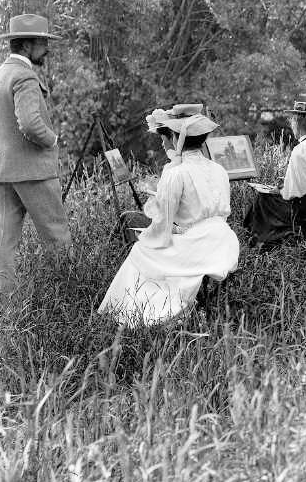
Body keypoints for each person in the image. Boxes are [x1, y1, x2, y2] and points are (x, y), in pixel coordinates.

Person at [99, 104, 239, 326]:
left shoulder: (177, 172)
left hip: (197, 246)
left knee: (140, 251)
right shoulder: (219, 170)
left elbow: (163, 223)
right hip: (224, 242)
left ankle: (136, 313)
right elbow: (208, 214)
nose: (165, 143)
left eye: (167, 137)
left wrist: (149, 234)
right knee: (158, 244)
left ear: (176, 138)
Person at [0, 14, 71, 304]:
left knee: (4, 241)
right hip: (34, 172)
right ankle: (68, 300)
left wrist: (3, 147)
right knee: (57, 238)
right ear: (27, 45)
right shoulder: (24, 75)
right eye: (43, 43)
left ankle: (5, 303)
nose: (47, 49)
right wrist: (52, 141)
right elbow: (29, 123)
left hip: (3, 171)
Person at [243, 99, 306, 248]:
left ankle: (263, 239)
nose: (291, 123)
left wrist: (281, 190)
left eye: (292, 120)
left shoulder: (301, 150)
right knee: (272, 193)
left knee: (263, 198)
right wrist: (286, 186)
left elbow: (298, 192)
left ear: (298, 121)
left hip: (305, 207)